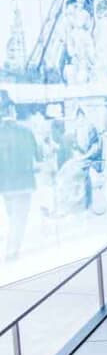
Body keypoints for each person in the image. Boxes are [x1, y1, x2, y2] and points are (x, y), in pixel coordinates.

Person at [0, 90, 39, 261]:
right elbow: (38, 158)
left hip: (5, 186)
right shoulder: (26, 131)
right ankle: (11, 253)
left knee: (12, 217)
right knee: (19, 219)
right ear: (12, 110)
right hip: (24, 184)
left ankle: (11, 250)